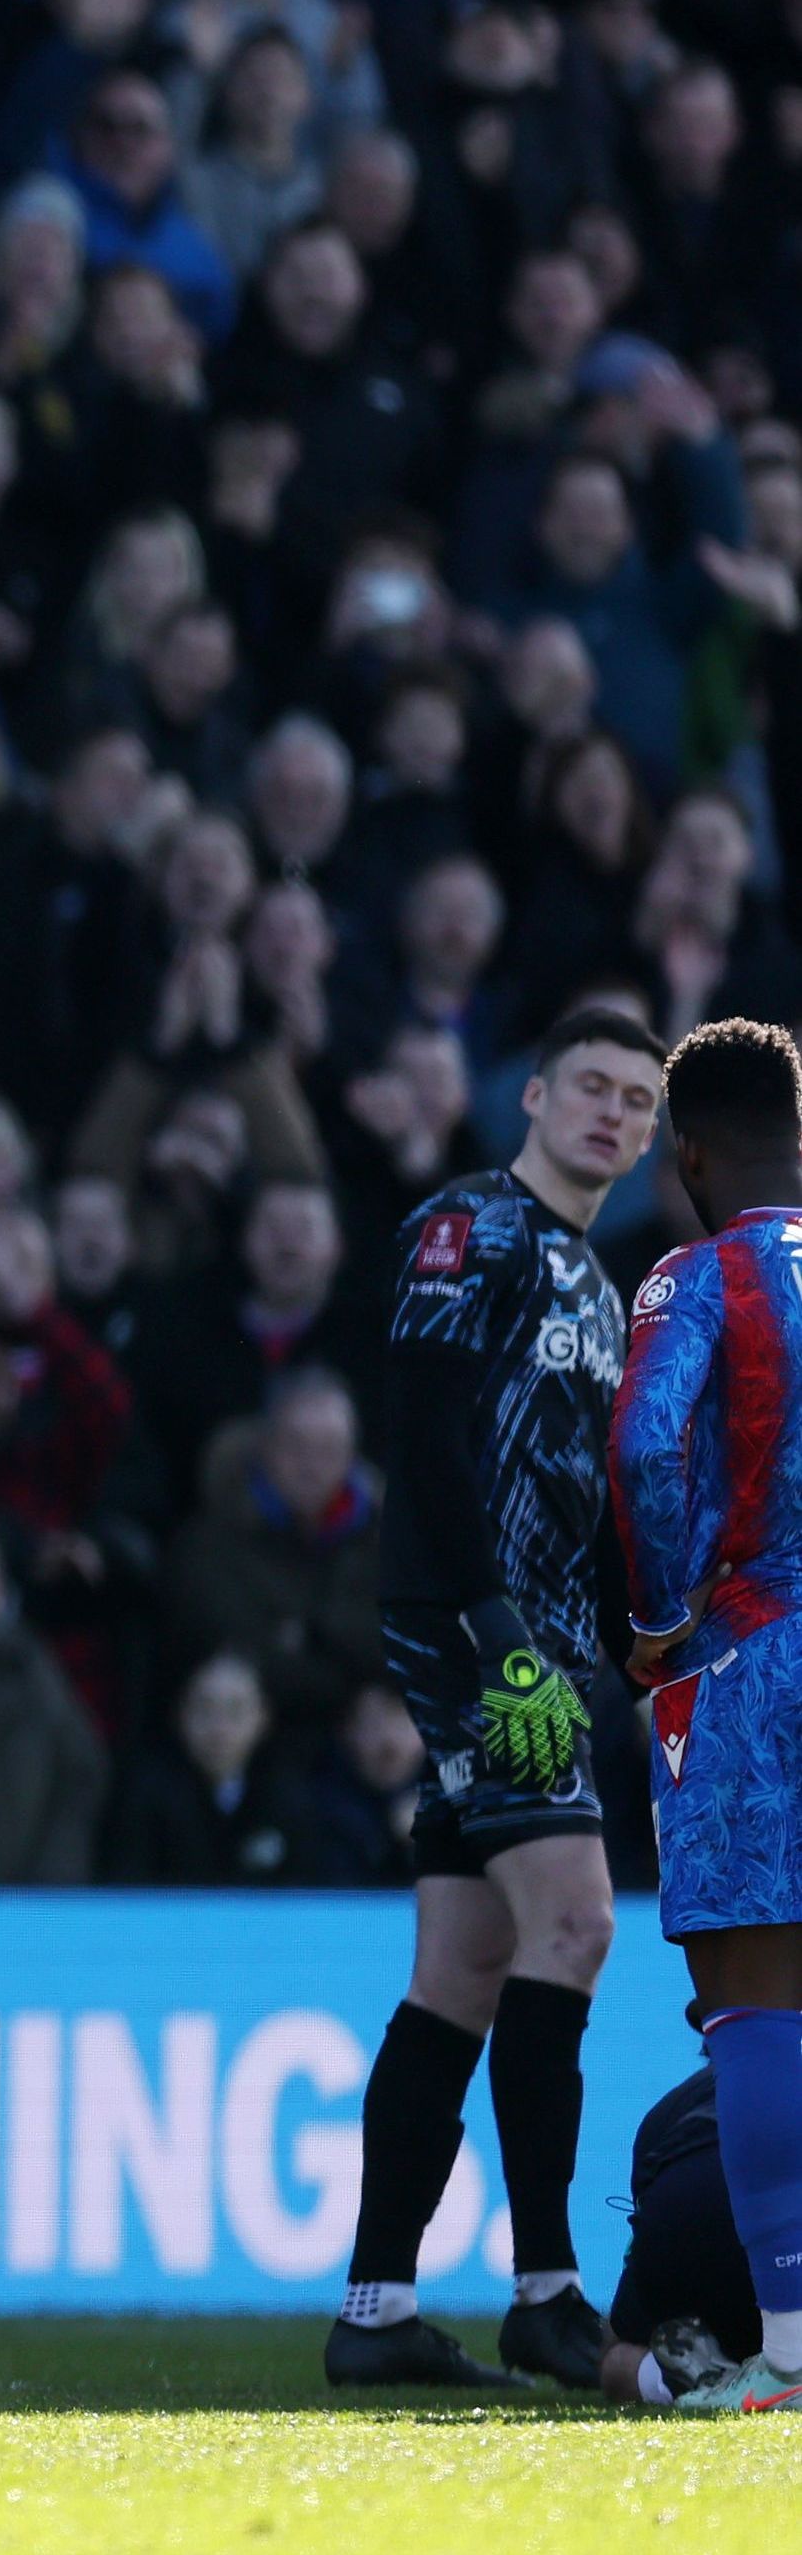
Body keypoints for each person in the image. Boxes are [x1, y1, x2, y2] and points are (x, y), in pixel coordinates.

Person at [338, 1006, 665, 2391]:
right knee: (575, 1919)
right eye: (589, 1085)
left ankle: (372, 2314)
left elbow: (583, 1493)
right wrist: (490, 1626)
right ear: (530, 1096)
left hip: (546, 1647)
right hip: (479, 1634)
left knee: (462, 1968)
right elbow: (418, 1427)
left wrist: (628, 1651)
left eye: (635, 1101)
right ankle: (546, 2288)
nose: (610, 1113)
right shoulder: (466, 1227)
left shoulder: (595, 1280)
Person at [605, 1018, 802, 2418]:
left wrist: (656, 1616)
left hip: (749, 1660)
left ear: (683, 1155)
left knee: (753, 2003)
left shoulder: (695, 1276)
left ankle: (787, 2349)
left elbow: (641, 1444)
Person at [591, 2069, 765, 2409]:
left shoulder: (677, 2105)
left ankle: (678, 2380)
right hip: (767, 2235)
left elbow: (620, 2333)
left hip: (683, 2222)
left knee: (618, 2359)